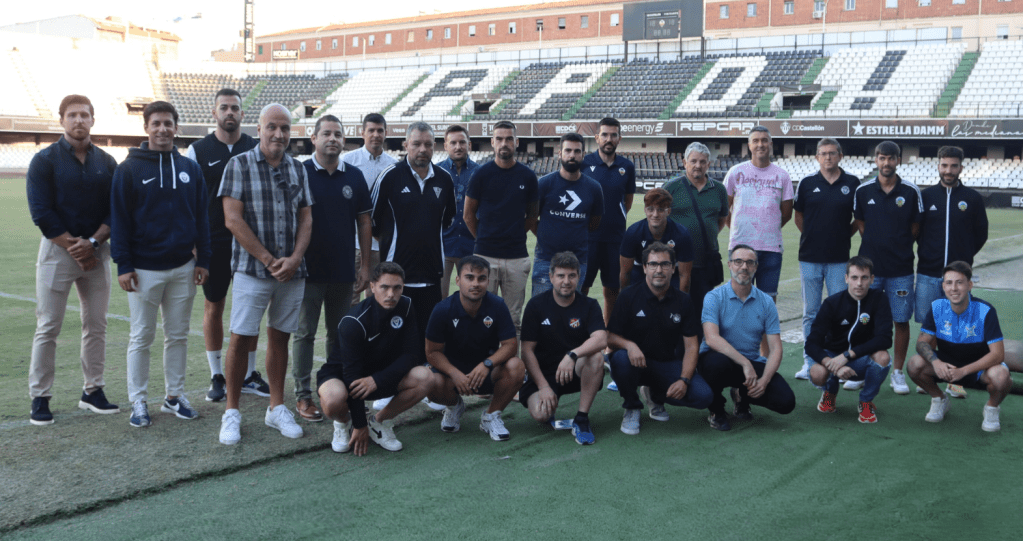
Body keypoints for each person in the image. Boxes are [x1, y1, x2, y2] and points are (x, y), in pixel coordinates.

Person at [217, 103, 314, 445]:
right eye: (272, 127)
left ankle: (275, 407)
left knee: (280, 337)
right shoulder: (238, 164)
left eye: (285, 128)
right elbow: (232, 219)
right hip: (251, 270)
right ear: (258, 129)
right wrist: (268, 259)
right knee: (241, 338)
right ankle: (232, 411)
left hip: (292, 271)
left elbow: (306, 218)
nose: (279, 134)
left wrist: (294, 258)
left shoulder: (298, 169)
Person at [110, 101, 211, 427]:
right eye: (156, 123)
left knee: (178, 335)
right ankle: (138, 401)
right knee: (141, 336)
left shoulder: (190, 169)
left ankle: (174, 396)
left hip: (183, 267)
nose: (163, 129)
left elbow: (202, 218)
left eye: (168, 123)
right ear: (146, 128)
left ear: (176, 127)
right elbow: (120, 220)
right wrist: (123, 264)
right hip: (142, 270)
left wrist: (203, 259)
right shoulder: (129, 169)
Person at [27, 94, 119, 425]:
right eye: (72, 115)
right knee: (48, 325)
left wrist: (93, 243)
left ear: (93, 120)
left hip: (97, 252)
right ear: (61, 119)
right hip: (57, 252)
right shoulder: (45, 160)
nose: (78, 120)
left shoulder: (107, 162)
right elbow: (41, 211)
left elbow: (115, 210)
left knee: (96, 325)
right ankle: (40, 396)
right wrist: (75, 247)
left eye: (84, 115)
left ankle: (92, 391)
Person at [292, 115, 372, 422]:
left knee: (341, 335)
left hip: (342, 270)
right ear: (313, 138)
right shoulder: (298, 171)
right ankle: (302, 396)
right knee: (304, 333)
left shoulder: (354, 176)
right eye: (326, 133)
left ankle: (341, 389)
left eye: (338, 134)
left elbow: (364, 222)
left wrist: (364, 265)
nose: (333, 139)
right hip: (306, 271)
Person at [185, 88, 263, 402]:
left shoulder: (255, 147)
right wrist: (194, 244)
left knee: (253, 310)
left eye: (235, 108)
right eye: (224, 108)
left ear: (243, 115)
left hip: (251, 242)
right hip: (213, 243)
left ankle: (249, 374)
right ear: (214, 113)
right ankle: (217, 375)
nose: (229, 113)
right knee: (213, 306)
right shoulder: (197, 150)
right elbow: (190, 202)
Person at [316, 262, 434, 455]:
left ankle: (379, 422)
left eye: (397, 288)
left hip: (379, 376)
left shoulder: (406, 305)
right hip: (344, 377)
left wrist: (377, 380)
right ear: (372, 287)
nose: (391, 294)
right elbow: (351, 377)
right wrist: (358, 425)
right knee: (332, 400)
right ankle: (343, 423)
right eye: (384, 287)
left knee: (426, 377)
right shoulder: (353, 322)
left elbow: (413, 354)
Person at [371, 121, 456, 359]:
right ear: (405, 144)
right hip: (396, 274)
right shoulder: (389, 177)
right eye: (416, 143)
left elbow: (447, 220)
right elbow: (372, 222)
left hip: (431, 274)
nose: (422, 149)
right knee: (392, 334)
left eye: (428, 144)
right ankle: (389, 389)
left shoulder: (444, 179)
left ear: (434, 147)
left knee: (427, 335)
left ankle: (426, 386)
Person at [607, 242, 712, 435]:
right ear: (645, 267)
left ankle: (654, 395)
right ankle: (632, 406)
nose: (659, 270)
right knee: (621, 359)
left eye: (665, 264)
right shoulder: (628, 296)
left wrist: (684, 380)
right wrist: (629, 345)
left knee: (703, 396)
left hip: (664, 363)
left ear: (673, 268)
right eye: (653, 264)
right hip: (633, 363)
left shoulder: (683, 300)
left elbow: (691, 346)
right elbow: (609, 337)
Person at [914, 145, 988, 399]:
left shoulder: (973, 198)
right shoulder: (926, 196)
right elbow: (917, 232)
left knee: (955, 329)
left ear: (961, 167)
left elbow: (981, 235)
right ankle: (929, 373)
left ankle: (954, 381)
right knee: (929, 327)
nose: (948, 170)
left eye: (953, 165)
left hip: (957, 277)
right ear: (938, 166)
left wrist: (963, 259)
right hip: (927, 272)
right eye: (944, 165)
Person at [424, 256, 525, 440]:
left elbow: (510, 345)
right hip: (452, 377)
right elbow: (432, 352)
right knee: (428, 381)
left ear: (488, 281)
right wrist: (454, 373)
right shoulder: (442, 309)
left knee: (517, 366)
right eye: (469, 277)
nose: (475, 283)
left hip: (486, 373)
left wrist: (487, 364)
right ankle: (454, 407)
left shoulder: (497, 305)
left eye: (481, 278)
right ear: (458, 280)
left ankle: (491, 416)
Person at [698, 244, 795, 431]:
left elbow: (776, 348)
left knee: (785, 402)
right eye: (738, 262)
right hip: (720, 361)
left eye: (750, 263)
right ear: (730, 265)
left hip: (749, 364)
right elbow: (711, 339)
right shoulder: (714, 297)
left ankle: (742, 395)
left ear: (756, 267)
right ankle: (716, 410)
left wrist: (764, 380)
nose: (744, 267)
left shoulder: (766, 302)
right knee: (714, 364)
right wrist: (745, 363)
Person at [853, 140, 922, 395]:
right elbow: (860, 223)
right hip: (870, 271)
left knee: (900, 320)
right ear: (876, 160)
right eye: (882, 158)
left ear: (898, 160)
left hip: (901, 269)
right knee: (865, 320)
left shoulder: (912, 192)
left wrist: (898, 246)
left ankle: (897, 372)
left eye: (891, 158)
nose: (886, 163)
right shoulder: (863, 191)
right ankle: (864, 367)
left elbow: (916, 228)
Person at [907, 261, 1009, 432]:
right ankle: (940, 399)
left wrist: (964, 371)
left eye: (959, 282)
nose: (953, 288)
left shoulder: (986, 310)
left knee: (1001, 376)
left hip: (978, 369)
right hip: (947, 365)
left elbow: (998, 355)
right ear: (943, 286)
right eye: (949, 283)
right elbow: (922, 343)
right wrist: (936, 362)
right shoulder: (937, 307)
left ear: (969, 285)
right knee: (914, 364)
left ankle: (991, 408)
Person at [520, 252, 607, 445]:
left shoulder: (589, 305)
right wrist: (543, 387)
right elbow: (526, 351)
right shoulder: (536, 305)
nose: (566, 281)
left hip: (573, 369)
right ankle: (546, 398)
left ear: (579, 276)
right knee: (542, 415)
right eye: (560, 276)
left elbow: (601, 339)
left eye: (571, 276)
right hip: (544, 374)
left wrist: (572, 355)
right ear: (551, 277)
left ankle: (582, 419)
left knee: (596, 358)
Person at [793, 138, 862, 382]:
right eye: (823, 154)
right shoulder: (807, 183)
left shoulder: (852, 183)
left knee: (841, 312)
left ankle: (839, 360)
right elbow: (798, 215)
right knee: (811, 312)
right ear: (817, 157)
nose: (828, 157)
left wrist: (843, 235)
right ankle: (809, 361)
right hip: (809, 258)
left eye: (832, 153)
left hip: (839, 260)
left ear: (840, 155)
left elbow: (859, 218)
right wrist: (813, 236)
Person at [724, 127, 793, 356]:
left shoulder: (782, 175)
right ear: (749, 144)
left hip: (771, 249)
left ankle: (764, 358)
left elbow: (786, 213)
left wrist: (766, 228)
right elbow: (726, 209)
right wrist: (741, 233)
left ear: (771, 144)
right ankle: (739, 354)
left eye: (765, 140)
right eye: (756, 141)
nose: (760, 144)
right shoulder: (736, 172)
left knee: (767, 306)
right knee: (738, 302)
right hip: (741, 250)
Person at [463, 120, 539, 330]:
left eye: (508, 139)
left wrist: (512, 234)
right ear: (492, 142)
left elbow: (532, 217)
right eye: (499, 139)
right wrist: (484, 238)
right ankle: (484, 361)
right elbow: (468, 215)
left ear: (517, 142)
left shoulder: (528, 176)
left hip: (516, 257)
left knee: (513, 320)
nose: (504, 143)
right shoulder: (481, 174)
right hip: (485, 255)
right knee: (481, 316)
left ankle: (510, 362)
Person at [804, 256, 893, 423]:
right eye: (854, 278)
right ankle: (829, 392)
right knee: (818, 373)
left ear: (872, 279)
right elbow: (811, 343)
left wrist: (847, 355)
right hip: (831, 358)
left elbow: (885, 339)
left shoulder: (879, 299)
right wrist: (833, 365)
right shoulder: (832, 303)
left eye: (864, 278)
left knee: (883, 357)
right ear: (846, 279)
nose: (859, 283)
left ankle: (865, 401)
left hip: (857, 359)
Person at [662, 142, 729, 322]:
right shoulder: (671, 188)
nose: (698, 165)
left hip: (704, 262)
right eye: (693, 161)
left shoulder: (719, 190)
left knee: (702, 313)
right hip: (675, 264)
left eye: (702, 161)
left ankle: (699, 348)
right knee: (674, 311)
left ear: (708, 163)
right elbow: (659, 221)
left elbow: (721, 220)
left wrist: (704, 235)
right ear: (685, 162)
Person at [531, 133, 603, 297]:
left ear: (583, 155)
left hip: (577, 261)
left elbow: (594, 223)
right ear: (560, 153)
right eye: (568, 150)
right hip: (545, 259)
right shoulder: (544, 184)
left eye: (577, 151)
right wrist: (545, 235)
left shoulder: (594, 188)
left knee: (571, 314)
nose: (572, 155)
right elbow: (531, 219)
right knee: (540, 312)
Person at [582, 117, 636, 324]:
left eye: (613, 135)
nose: (609, 139)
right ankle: (579, 333)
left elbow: (627, 201)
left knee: (612, 289)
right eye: (604, 134)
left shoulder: (627, 167)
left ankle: (609, 339)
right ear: (597, 138)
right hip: (587, 239)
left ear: (619, 139)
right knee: (582, 287)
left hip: (615, 239)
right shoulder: (585, 163)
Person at [343, 113, 397, 304]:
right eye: (371, 130)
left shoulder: (394, 165)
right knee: (351, 295)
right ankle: (351, 333)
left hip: (382, 244)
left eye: (380, 130)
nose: (376, 134)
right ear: (362, 132)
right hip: (355, 243)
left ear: (386, 133)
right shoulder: (348, 162)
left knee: (378, 297)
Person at [619, 188, 694, 292]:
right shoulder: (633, 233)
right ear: (645, 210)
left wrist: (681, 304)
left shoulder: (682, 234)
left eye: (660, 209)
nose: (655, 214)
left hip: (671, 276)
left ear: (668, 211)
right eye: (651, 209)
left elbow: (684, 275)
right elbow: (625, 272)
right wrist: (625, 302)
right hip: (641, 274)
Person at [437, 125, 480, 297]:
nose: (458, 146)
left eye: (462, 142)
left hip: (471, 246)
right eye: (453, 143)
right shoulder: (436, 171)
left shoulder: (480, 172)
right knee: (439, 298)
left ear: (469, 145)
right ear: (445, 146)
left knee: (472, 295)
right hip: (442, 246)